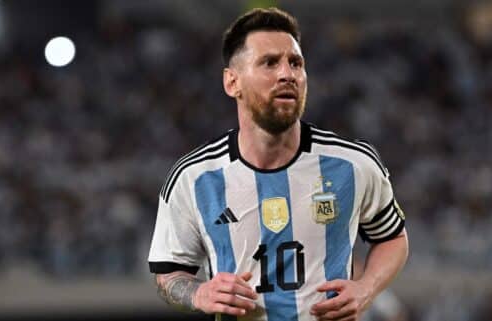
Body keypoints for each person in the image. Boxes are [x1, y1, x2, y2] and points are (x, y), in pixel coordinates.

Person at [148, 7, 409, 321]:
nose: (287, 74)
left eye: (295, 63)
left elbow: (392, 237)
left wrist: (367, 287)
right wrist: (199, 293)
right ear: (232, 82)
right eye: (269, 63)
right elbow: (169, 275)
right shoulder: (193, 178)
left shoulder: (353, 164)